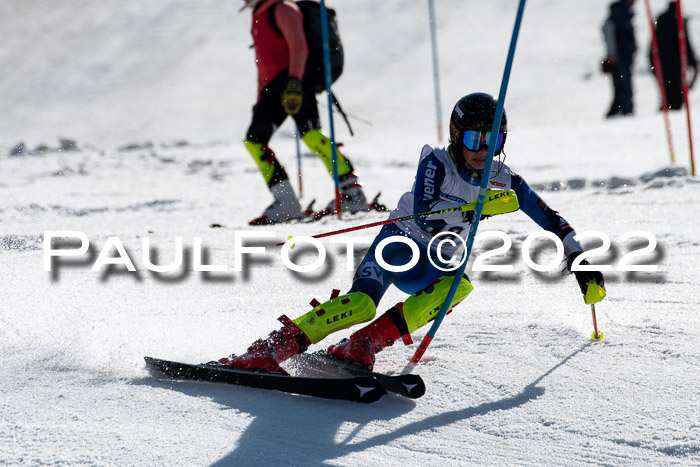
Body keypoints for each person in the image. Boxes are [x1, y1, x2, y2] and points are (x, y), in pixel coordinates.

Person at [215, 93, 606, 373]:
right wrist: (478, 206)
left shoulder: (505, 180)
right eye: (474, 139)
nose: (482, 151)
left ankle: (362, 345)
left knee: (458, 286)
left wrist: (580, 259)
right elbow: (423, 213)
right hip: (398, 244)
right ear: (456, 134)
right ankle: (271, 349)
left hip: (433, 261)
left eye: (494, 141)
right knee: (362, 304)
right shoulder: (436, 163)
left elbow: (550, 217)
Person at [240, 0, 370, 226]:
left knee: (310, 134)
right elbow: (263, 64)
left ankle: (351, 193)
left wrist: (295, 82)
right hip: (273, 88)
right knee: (254, 140)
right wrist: (260, 96)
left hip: (294, 82)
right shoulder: (258, 14)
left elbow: (299, 47)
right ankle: (286, 202)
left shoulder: (283, 8)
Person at [651, 1, 698, 110]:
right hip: (675, 63)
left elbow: (654, 42)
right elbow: (685, 43)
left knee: (668, 89)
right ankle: (673, 107)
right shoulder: (677, 21)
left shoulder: (663, 20)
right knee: (675, 91)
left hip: (664, 62)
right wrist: (692, 61)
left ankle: (668, 106)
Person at [602, 0, 637, 118]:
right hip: (620, 56)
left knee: (623, 83)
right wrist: (612, 53)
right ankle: (623, 108)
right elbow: (609, 31)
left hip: (625, 55)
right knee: (622, 83)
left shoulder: (623, 14)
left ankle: (623, 108)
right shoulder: (619, 15)